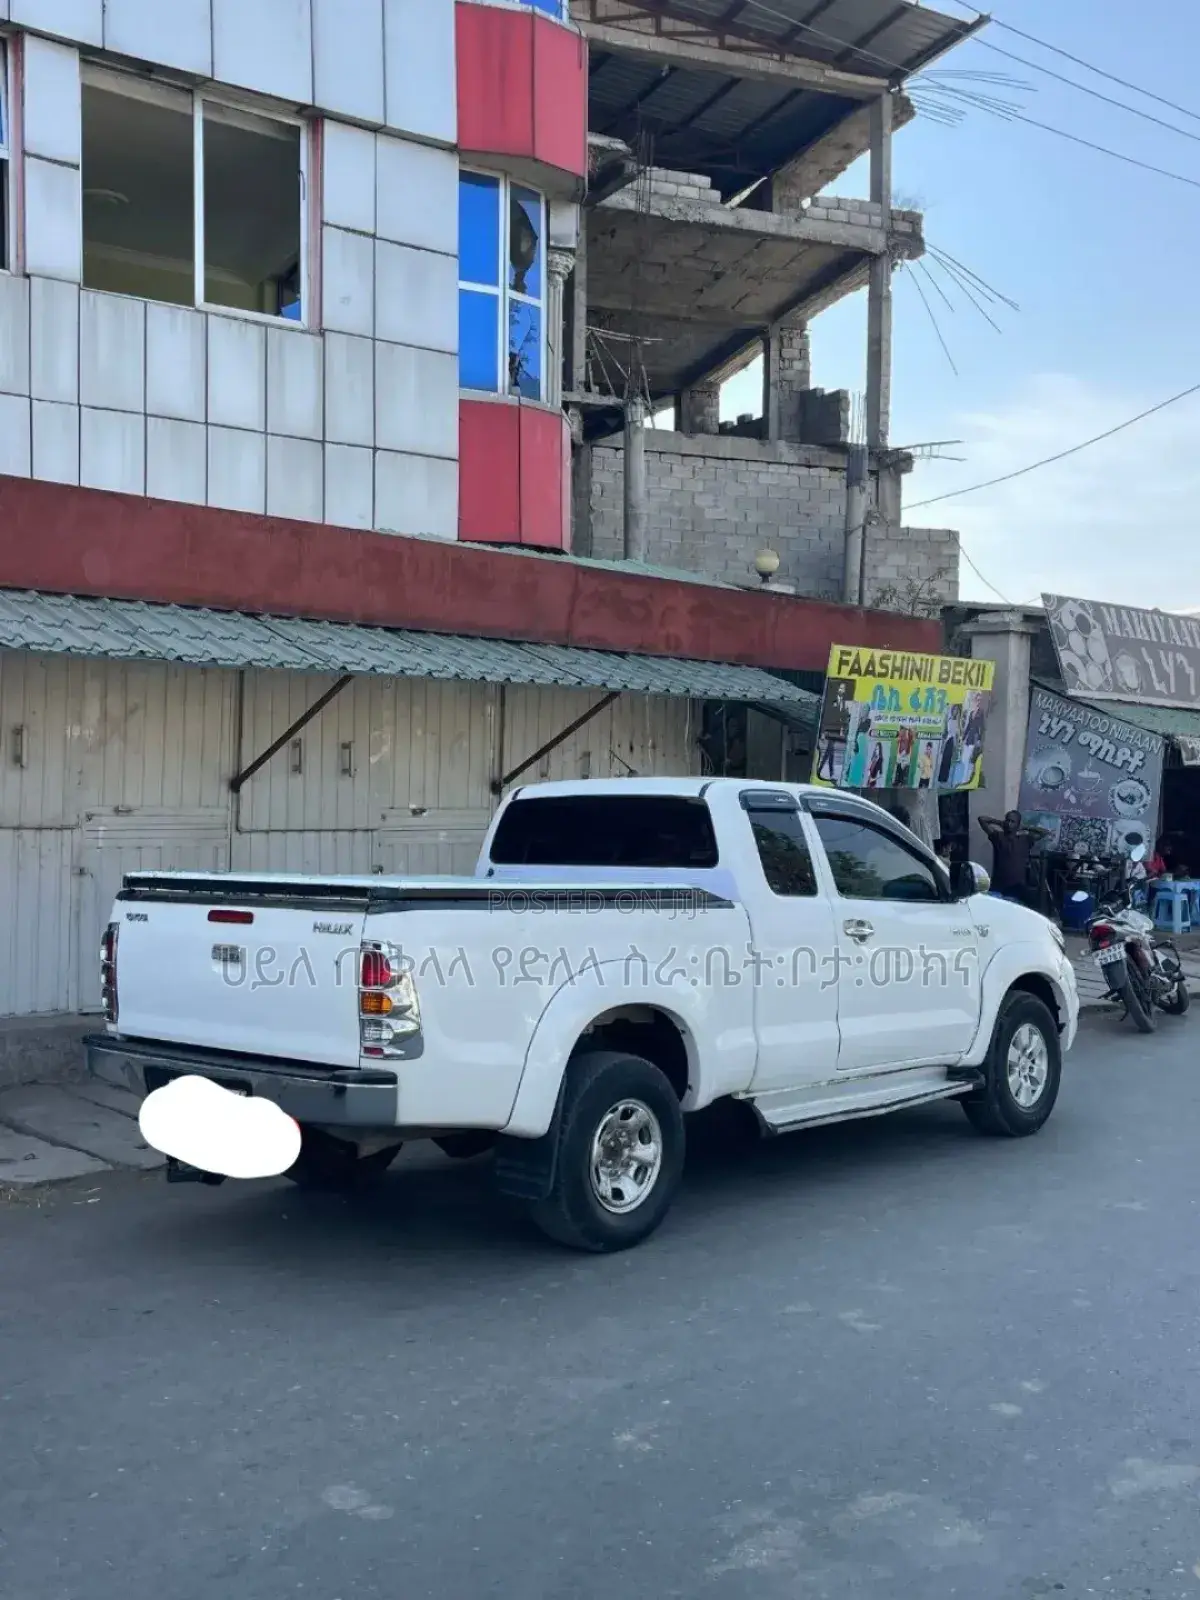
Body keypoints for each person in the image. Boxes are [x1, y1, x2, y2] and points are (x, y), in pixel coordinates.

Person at [979, 809, 1050, 907]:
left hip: (1016, 888)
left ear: (1018, 824)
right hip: (998, 887)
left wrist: (1025, 827)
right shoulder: (998, 837)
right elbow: (982, 819)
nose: (1009, 824)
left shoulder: (1025, 840)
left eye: (1013, 822)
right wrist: (1000, 823)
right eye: (1007, 820)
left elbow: (1045, 833)